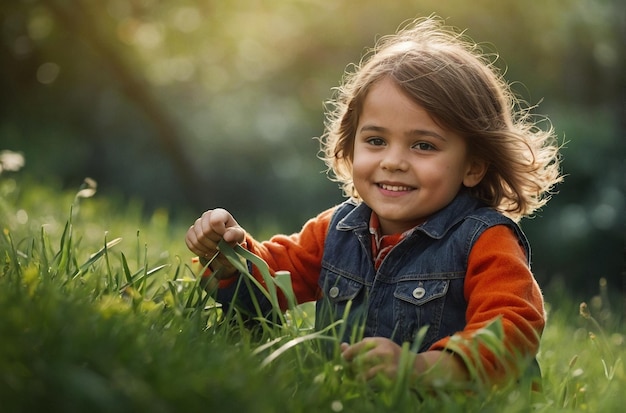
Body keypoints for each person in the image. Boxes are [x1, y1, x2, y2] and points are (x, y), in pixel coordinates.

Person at [185, 16, 562, 390]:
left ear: (473, 166)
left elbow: (511, 327)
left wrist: (426, 369)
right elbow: (268, 286)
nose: (393, 161)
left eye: (423, 145)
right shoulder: (338, 230)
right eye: (376, 141)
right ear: (350, 146)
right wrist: (227, 253)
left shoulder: (484, 240)